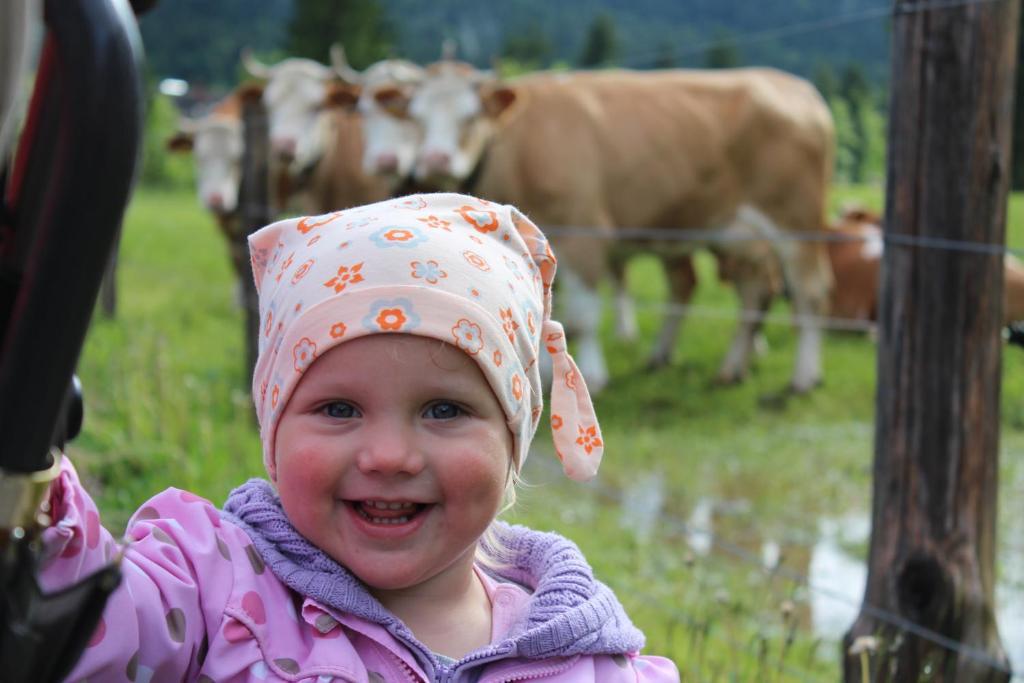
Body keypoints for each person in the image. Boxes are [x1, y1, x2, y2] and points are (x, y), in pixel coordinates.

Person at [41, 193, 681, 682]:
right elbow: (75, 626)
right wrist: (31, 482)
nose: (389, 456)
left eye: (443, 411)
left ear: (514, 436)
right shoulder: (211, 589)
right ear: (274, 428)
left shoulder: (584, 660)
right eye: (340, 408)